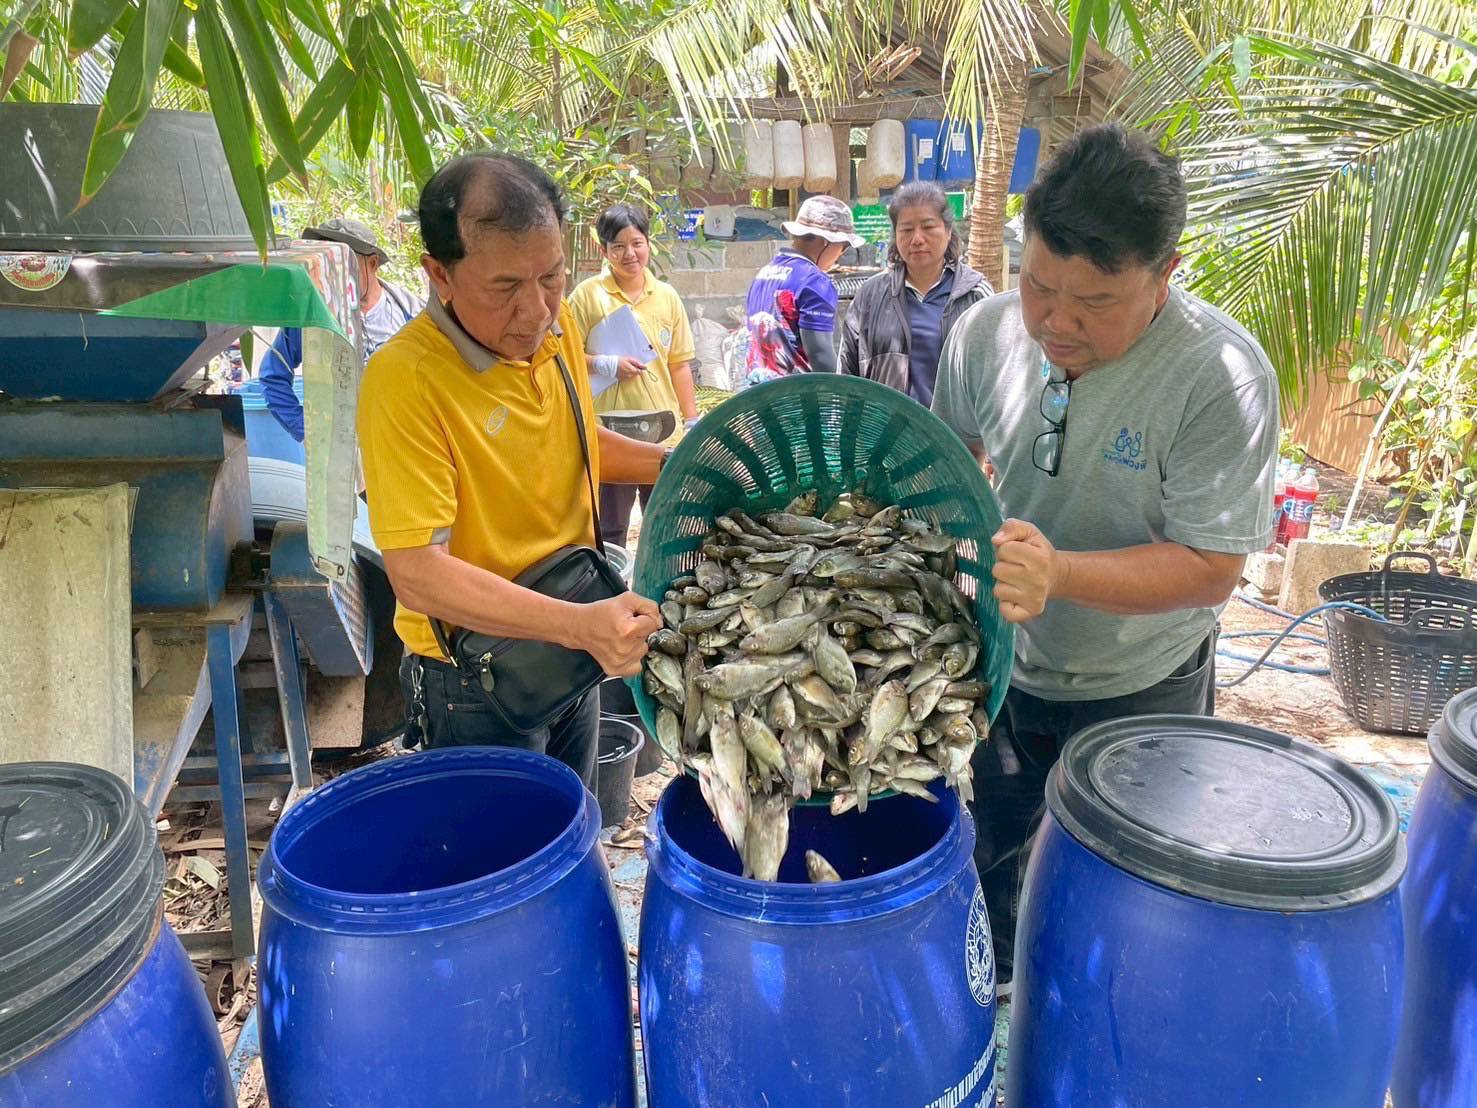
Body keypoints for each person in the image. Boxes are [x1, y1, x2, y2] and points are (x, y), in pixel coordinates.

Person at [931, 122, 1280, 992]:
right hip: (1003, 676)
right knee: (988, 875)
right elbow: (946, 463)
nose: (1055, 323)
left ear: (1164, 276)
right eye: (1039, 287)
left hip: (1142, 683)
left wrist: (1062, 575)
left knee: (1122, 907)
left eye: (1093, 304)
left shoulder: (1220, 377)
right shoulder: (983, 334)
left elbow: (1209, 567)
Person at [356, 153, 669, 787]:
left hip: (574, 636)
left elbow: (574, 440)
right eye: (505, 288)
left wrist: (671, 464)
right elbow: (416, 572)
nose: (536, 310)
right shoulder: (406, 380)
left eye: (551, 277)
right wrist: (580, 626)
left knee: (571, 834)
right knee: (499, 873)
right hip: (477, 678)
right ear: (439, 274)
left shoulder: (549, 337)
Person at [567, 204, 698, 548]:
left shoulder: (666, 297)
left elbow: (679, 364)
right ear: (603, 250)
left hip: (662, 430)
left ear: (648, 243)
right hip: (609, 431)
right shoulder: (587, 296)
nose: (630, 254)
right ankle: (614, 594)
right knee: (610, 527)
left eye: (637, 243)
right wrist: (605, 364)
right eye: (618, 247)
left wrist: (692, 420)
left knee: (665, 521)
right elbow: (562, 357)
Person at [259, 217, 424, 442]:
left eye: (345, 264)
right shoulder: (312, 316)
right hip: (338, 452)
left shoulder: (411, 313)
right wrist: (305, 431)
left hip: (401, 442)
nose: (335, 275)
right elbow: (274, 375)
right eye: (328, 266)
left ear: (373, 263)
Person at [837, 182, 991, 405]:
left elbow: (995, 375)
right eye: (907, 230)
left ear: (948, 231)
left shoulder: (975, 295)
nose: (917, 239)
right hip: (885, 435)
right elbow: (847, 373)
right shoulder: (870, 296)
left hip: (952, 437)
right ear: (896, 235)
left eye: (928, 227)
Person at [742, 194, 864, 387]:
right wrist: (843, 397)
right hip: (798, 402)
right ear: (827, 242)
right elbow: (820, 354)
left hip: (759, 398)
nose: (839, 255)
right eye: (843, 247)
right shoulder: (815, 281)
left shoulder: (762, 275)